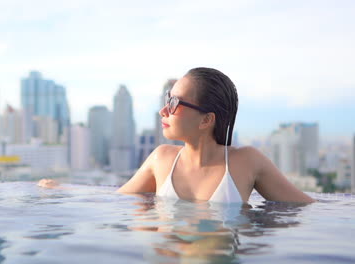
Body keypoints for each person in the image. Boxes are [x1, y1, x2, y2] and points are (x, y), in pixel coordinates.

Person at [39, 67, 315, 204]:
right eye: (166, 100)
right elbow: (116, 197)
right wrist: (62, 189)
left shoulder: (246, 162)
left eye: (173, 103)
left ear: (206, 120)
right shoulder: (161, 159)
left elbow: (305, 206)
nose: (163, 110)